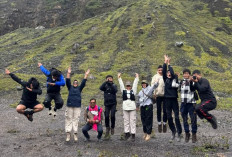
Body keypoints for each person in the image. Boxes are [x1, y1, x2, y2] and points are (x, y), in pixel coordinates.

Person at [65, 67, 90, 142]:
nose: (75, 83)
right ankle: (68, 134)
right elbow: (67, 81)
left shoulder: (79, 88)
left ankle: (75, 133)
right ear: (73, 84)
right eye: (74, 82)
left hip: (77, 106)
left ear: (77, 84)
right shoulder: (70, 88)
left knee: (76, 119)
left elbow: (83, 82)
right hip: (69, 105)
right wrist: (68, 73)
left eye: (76, 83)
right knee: (68, 119)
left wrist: (86, 75)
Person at [163, 55, 182, 141]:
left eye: (169, 72)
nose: (168, 73)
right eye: (167, 73)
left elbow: (172, 71)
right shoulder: (165, 79)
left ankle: (179, 132)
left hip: (174, 99)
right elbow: (164, 71)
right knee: (169, 117)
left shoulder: (174, 78)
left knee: (177, 117)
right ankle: (173, 131)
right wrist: (165, 62)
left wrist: (169, 64)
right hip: (167, 100)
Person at [118, 73, 139, 142]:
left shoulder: (133, 91)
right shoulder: (123, 91)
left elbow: (135, 85)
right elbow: (121, 85)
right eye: (127, 86)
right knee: (126, 121)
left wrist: (136, 78)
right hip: (125, 107)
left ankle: (133, 134)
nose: (128, 87)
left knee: (132, 121)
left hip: (132, 107)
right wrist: (119, 78)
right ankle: (127, 133)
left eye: (129, 86)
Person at [180, 69, 197, 143]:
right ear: (183, 74)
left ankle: (194, 134)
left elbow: (193, 88)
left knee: (193, 119)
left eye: (187, 73)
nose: (186, 75)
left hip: (191, 103)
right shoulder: (181, 82)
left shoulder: (193, 81)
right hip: (183, 103)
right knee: (184, 119)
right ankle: (187, 133)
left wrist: (191, 81)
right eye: (184, 73)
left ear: (189, 74)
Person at [151, 65, 167, 133]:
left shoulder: (165, 76)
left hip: (165, 95)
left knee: (165, 109)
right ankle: (159, 123)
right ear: (157, 70)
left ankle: (165, 123)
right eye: (159, 70)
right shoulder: (155, 76)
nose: (160, 71)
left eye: (161, 70)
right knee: (159, 110)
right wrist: (154, 93)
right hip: (157, 95)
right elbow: (152, 85)